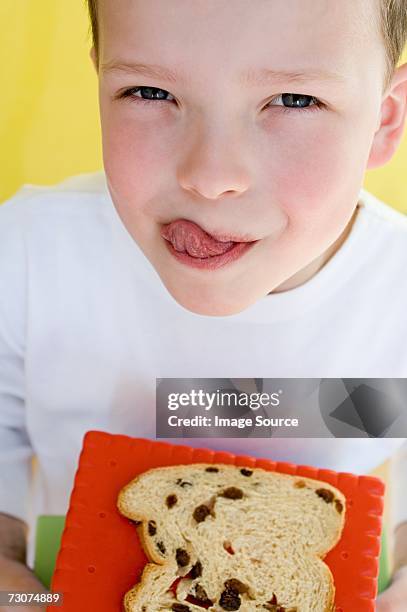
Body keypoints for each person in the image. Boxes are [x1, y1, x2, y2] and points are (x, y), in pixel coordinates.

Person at [1, 1, 407, 610]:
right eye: (148, 90)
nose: (211, 176)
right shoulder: (27, 254)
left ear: (383, 120)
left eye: (293, 101)